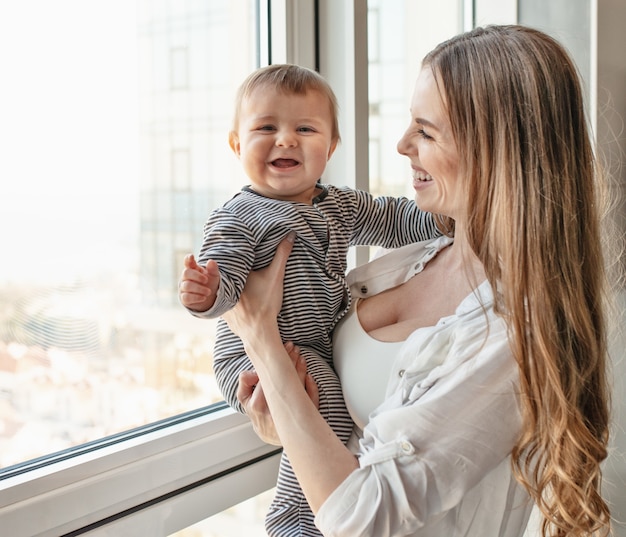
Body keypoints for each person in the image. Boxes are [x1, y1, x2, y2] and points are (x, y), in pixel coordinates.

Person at [224, 25, 612, 537]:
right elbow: (349, 437)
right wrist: (292, 416)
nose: (403, 144)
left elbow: (363, 516)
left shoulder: (513, 337)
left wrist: (260, 339)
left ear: (497, 153)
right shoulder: (414, 260)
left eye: (426, 132)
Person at [178, 64, 441, 535]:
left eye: (305, 128)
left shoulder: (339, 205)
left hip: (310, 346)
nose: (285, 140)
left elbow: (399, 220)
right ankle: (295, 518)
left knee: (328, 417)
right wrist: (206, 292)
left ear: (331, 147)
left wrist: (451, 222)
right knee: (328, 415)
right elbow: (227, 284)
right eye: (265, 128)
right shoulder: (240, 216)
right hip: (251, 357)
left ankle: (315, 510)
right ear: (237, 145)